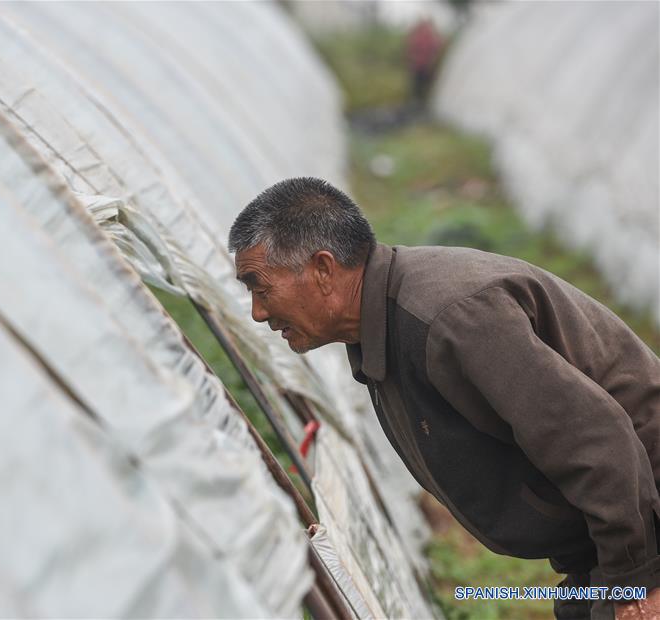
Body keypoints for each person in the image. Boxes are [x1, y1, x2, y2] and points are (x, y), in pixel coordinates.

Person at [228, 177, 660, 620]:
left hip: (646, 514)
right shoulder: (384, 326)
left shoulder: (449, 320)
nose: (259, 313)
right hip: (612, 531)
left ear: (323, 269)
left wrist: (636, 584)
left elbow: (595, 439)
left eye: (261, 289)